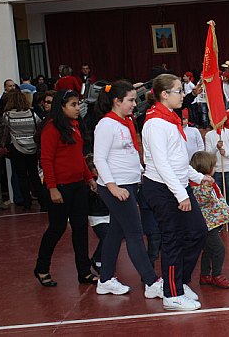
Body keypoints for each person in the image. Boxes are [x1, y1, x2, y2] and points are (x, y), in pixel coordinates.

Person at [141, 74, 210, 310]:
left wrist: (199, 177)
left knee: (198, 231)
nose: (183, 95)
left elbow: (178, 161)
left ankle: (179, 281)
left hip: (178, 185)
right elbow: (161, 164)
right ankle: (171, 294)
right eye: (178, 91)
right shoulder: (155, 124)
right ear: (164, 95)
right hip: (163, 188)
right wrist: (181, 194)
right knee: (172, 239)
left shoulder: (170, 119)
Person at [93, 81, 165, 298]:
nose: (135, 104)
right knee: (134, 233)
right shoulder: (106, 125)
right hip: (116, 186)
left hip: (129, 184)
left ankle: (105, 279)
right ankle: (152, 282)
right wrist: (113, 186)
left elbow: (130, 153)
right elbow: (99, 158)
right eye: (131, 100)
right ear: (117, 101)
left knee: (116, 232)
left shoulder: (125, 122)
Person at [34, 89, 99, 287]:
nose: (77, 108)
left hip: (78, 186)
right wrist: (52, 188)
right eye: (72, 104)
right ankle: (42, 268)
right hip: (60, 187)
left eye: (77, 103)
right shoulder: (51, 128)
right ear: (61, 107)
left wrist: (88, 177)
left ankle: (84, 271)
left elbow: (78, 156)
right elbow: (46, 160)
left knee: (80, 229)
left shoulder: (74, 126)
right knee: (57, 228)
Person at [191, 151, 229, 289]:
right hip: (206, 224)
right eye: (213, 166)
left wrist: (225, 209)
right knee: (218, 249)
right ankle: (217, 275)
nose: (215, 169)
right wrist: (206, 186)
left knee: (208, 250)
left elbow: (217, 198)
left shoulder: (209, 182)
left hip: (213, 222)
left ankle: (205, 275)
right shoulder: (198, 186)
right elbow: (203, 200)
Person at [3, 90, 42, 211]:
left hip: (16, 147)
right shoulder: (31, 113)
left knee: (22, 176)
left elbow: (5, 130)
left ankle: (27, 203)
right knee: (34, 175)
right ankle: (43, 202)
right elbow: (39, 124)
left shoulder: (8, 115)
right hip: (32, 147)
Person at [205, 122, 229, 231]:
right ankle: (220, 223)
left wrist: (226, 153)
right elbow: (208, 154)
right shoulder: (209, 135)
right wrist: (216, 148)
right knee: (217, 198)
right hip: (216, 170)